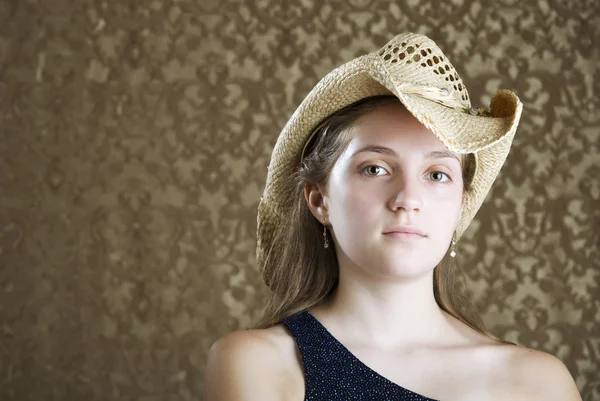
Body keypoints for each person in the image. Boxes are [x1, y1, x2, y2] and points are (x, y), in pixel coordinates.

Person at [204, 33, 581, 400]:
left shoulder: (539, 383)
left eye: (437, 175)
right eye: (375, 169)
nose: (407, 199)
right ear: (319, 200)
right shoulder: (258, 364)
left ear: (460, 205)